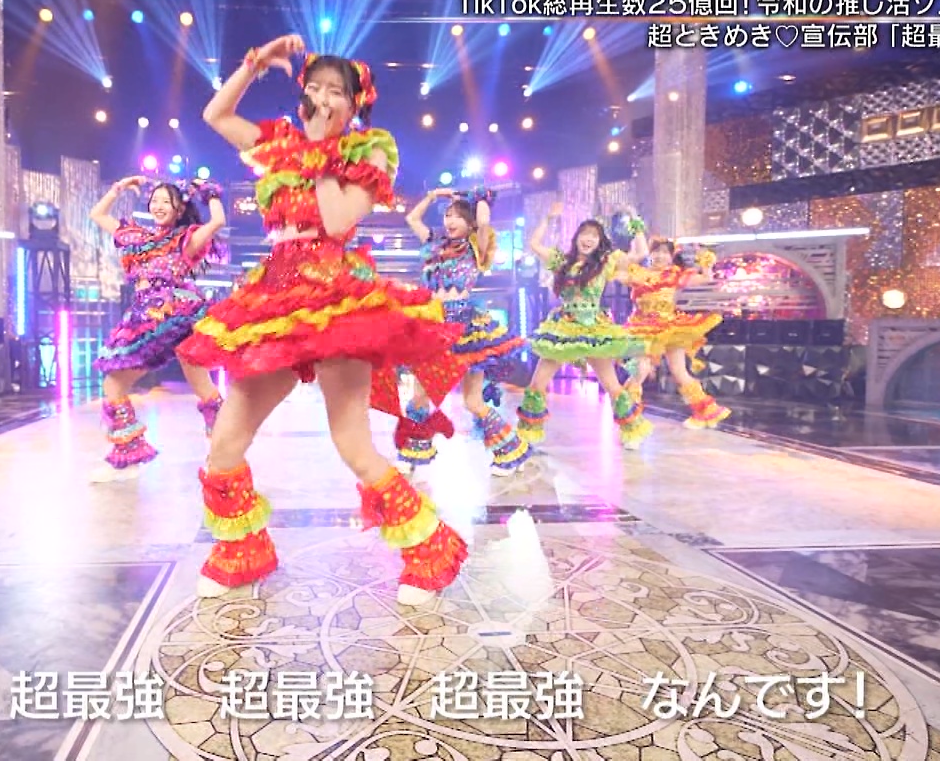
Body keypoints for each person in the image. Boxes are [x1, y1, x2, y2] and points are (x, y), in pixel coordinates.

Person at [177, 36, 469, 606]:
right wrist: (253, 63)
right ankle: (242, 550)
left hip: (337, 298)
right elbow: (216, 115)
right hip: (273, 298)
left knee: (351, 441)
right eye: (315, 87)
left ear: (356, 103)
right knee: (225, 442)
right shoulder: (279, 144)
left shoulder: (371, 151)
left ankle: (429, 548)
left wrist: (318, 152)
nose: (324, 98)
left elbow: (335, 222)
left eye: (337, 91)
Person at [88, 177, 227, 482]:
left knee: (199, 387)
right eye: (155, 200)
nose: (159, 206)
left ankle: (221, 457)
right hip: (145, 319)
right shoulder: (137, 237)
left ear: (179, 209)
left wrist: (209, 192)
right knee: (116, 384)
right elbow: (97, 214)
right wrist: (118, 188)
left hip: (177, 317)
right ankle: (130, 458)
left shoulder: (185, 239)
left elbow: (218, 221)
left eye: (167, 201)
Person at [390, 186, 532, 477]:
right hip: (433, 327)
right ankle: (412, 452)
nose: (450, 221)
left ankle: (510, 450)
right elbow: (412, 219)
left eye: (456, 216)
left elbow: (485, 222)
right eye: (447, 215)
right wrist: (432, 196)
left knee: (472, 401)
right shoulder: (433, 244)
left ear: (469, 222)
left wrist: (477, 198)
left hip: (466, 330)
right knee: (420, 397)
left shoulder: (475, 246)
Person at [518, 205, 653, 450]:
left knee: (611, 385)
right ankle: (529, 434)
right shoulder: (562, 261)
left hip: (593, 331)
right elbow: (535, 244)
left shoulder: (606, 262)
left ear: (599, 242)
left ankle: (632, 430)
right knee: (537, 384)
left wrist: (635, 219)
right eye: (584, 234)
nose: (588, 239)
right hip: (563, 330)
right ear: (577, 237)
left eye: (594, 235)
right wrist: (547, 218)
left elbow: (641, 252)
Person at [624, 238, 731, 429]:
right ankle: (629, 415)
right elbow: (617, 273)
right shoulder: (638, 274)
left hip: (670, 328)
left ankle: (705, 412)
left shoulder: (675, 275)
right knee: (640, 370)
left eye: (665, 252)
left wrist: (705, 260)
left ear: (671, 256)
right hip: (642, 329)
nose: (660, 256)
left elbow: (706, 279)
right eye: (656, 251)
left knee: (679, 372)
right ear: (650, 253)